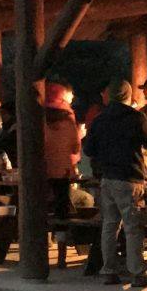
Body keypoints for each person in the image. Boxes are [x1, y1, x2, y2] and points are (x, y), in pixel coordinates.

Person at [82, 79, 147, 287]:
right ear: (128, 95)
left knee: (109, 226)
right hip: (130, 177)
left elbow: (88, 149)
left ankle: (109, 271)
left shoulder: (100, 120)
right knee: (133, 227)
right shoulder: (136, 117)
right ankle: (137, 273)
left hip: (107, 179)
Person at [44, 80, 82, 219]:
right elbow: (75, 145)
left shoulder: (39, 116)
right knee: (62, 205)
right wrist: (80, 134)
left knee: (41, 204)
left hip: (42, 167)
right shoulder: (67, 116)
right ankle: (61, 237)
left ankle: (42, 235)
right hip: (62, 169)